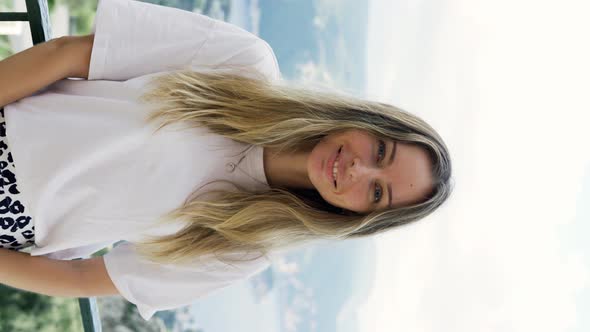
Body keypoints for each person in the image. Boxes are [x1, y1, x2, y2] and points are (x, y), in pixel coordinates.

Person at [0, 0, 452, 321]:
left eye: (377, 191)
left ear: (360, 217)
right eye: (380, 151)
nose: (358, 170)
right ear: (367, 122)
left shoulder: (240, 250)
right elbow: (74, 54)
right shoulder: (242, 65)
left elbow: (83, 278)